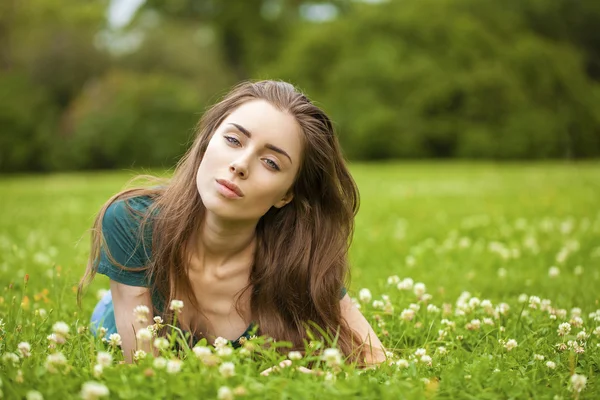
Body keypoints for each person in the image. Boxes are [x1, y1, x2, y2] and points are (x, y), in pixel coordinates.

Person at [78, 80, 386, 366]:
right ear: (206, 141)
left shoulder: (298, 259)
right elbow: (146, 370)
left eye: (271, 162)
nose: (239, 165)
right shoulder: (133, 221)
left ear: (286, 194)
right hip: (118, 308)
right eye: (233, 139)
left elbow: (374, 357)